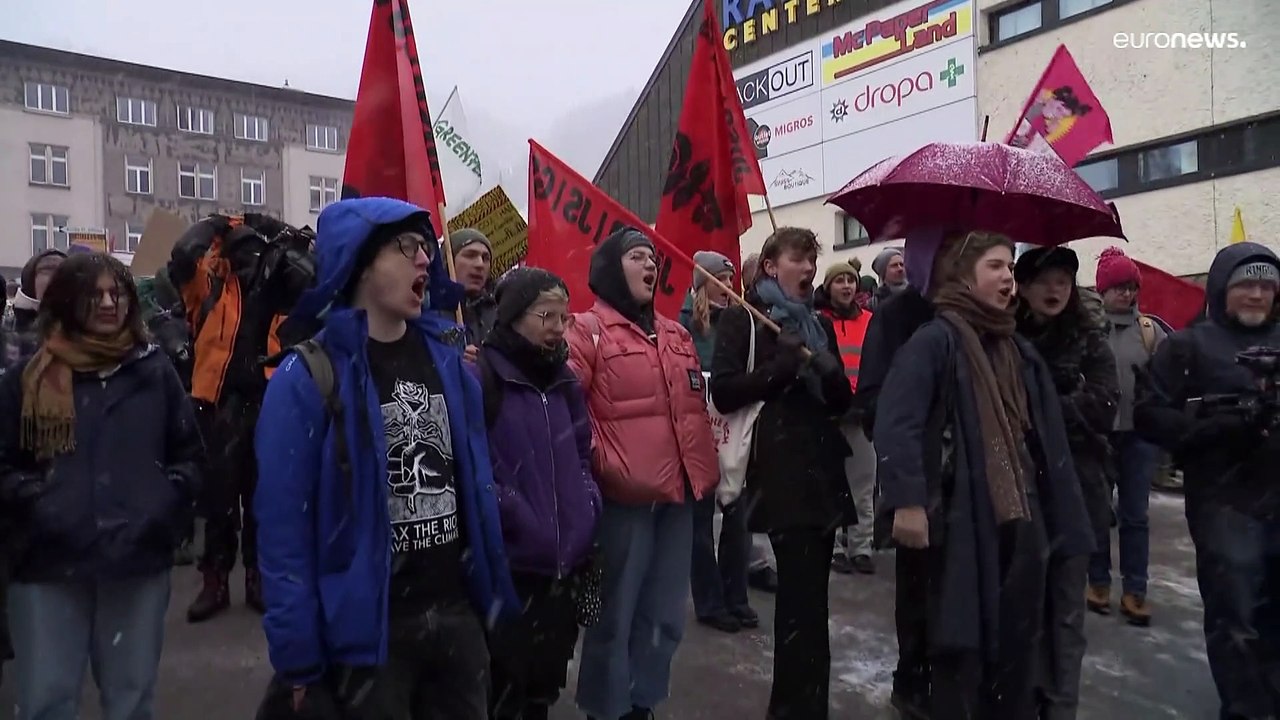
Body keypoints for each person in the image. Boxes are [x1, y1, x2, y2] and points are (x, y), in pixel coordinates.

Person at [254, 197, 518, 720]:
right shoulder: (306, 377)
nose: (425, 259)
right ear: (358, 261)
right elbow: (284, 534)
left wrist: (492, 598)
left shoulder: (449, 361)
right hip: (369, 634)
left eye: (425, 247)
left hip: (456, 618)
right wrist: (298, 657)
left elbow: (477, 488)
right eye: (406, 246)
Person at [875, 232, 1093, 719]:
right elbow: (898, 422)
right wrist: (908, 500)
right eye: (995, 266)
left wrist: (1062, 510)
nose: (1008, 279)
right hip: (962, 518)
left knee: (1017, 646)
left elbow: (1044, 435)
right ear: (963, 276)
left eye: (1010, 268)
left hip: (1022, 518)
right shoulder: (934, 342)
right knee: (962, 648)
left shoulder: (1016, 348)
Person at [0, 252, 203, 719]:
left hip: (135, 560)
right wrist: (42, 505)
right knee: (47, 702)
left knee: (131, 702)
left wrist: (160, 503)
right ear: (67, 301)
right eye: (95, 295)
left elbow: (190, 456)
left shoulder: (153, 372)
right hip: (48, 565)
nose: (110, 304)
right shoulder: (26, 379)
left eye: (118, 293)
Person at [567, 228, 718, 720]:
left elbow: (693, 407)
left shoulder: (676, 335)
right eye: (637, 257)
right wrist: (606, 461)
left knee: (664, 613)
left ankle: (641, 702)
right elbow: (567, 411)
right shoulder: (586, 330)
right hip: (623, 500)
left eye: (653, 259)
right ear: (611, 267)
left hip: (679, 495)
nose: (651, 266)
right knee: (616, 614)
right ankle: (606, 708)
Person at [711, 227, 855, 719]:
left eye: (813, 259)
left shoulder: (817, 322)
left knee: (814, 601)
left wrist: (833, 379)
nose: (810, 268)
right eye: (799, 258)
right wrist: (783, 366)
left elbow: (840, 405)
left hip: (822, 468)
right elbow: (724, 392)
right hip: (780, 469)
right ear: (771, 266)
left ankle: (809, 703)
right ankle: (794, 707)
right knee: (799, 601)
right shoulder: (745, 317)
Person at [1134, 242, 1280, 720]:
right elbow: (1149, 414)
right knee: (1235, 617)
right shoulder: (1188, 346)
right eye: (1246, 285)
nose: (1257, 295)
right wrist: (1206, 429)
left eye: (1267, 286)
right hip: (1224, 502)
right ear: (1221, 290)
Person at [473, 267, 601, 720]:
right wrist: (513, 513)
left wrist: (587, 504)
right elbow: (474, 466)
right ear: (513, 316)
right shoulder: (483, 376)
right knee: (503, 690)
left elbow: (582, 453)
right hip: (511, 568)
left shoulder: (565, 380)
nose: (558, 328)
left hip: (562, 570)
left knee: (542, 690)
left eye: (564, 317)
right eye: (546, 316)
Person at [1014, 245, 1118, 719]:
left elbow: (1104, 405)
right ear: (1022, 287)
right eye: (1043, 281)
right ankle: (1026, 697)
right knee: (1025, 607)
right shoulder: (1008, 340)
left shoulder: (1090, 340)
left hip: (1077, 487)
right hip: (1022, 487)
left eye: (1063, 281)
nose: (1054, 290)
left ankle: (1060, 707)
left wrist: (1045, 405)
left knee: (1066, 609)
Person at [169, 215, 279, 622]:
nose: (248, 256)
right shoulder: (209, 287)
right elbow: (182, 254)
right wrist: (215, 224)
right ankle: (214, 579)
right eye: (240, 248)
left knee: (262, 498)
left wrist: (275, 230)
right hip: (217, 405)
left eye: (255, 248)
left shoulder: (278, 287)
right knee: (218, 500)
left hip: (267, 401)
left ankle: (257, 576)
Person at [679, 250, 755, 634]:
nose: (728, 285)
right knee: (699, 525)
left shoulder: (742, 322)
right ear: (702, 283)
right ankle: (710, 602)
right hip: (697, 434)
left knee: (738, 519)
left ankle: (736, 597)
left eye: (730, 278)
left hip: (734, 434)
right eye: (719, 278)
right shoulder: (683, 325)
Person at [1090, 246, 1166, 625]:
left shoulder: (1151, 332)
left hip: (1138, 438)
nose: (1126, 293)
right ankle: (1098, 583)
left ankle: (1135, 591)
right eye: (1118, 286)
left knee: (1135, 516)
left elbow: (1169, 382)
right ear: (1102, 290)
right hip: (1098, 436)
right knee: (1097, 513)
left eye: (1131, 286)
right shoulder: (1089, 332)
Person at [817, 261, 877, 576]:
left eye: (850, 281)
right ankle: (834, 548)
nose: (846, 286)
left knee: (863, 484)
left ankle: (861, 547)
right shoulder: (819, 321)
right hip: (829, 412)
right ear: (829, 287)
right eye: (839, 280)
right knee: (829, 483)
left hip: (861, 412)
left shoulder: (870, 320)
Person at [3, 249, 65, 373]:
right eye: (47, 269)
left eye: (63, 271)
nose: (55, 276)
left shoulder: (84, 329)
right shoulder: (8, 329)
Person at [452, 228, 496, 361]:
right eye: (470, 255)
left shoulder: (500, 315)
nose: (480, 264)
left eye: (486, 258)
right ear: (448, 260)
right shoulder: (425, 311)